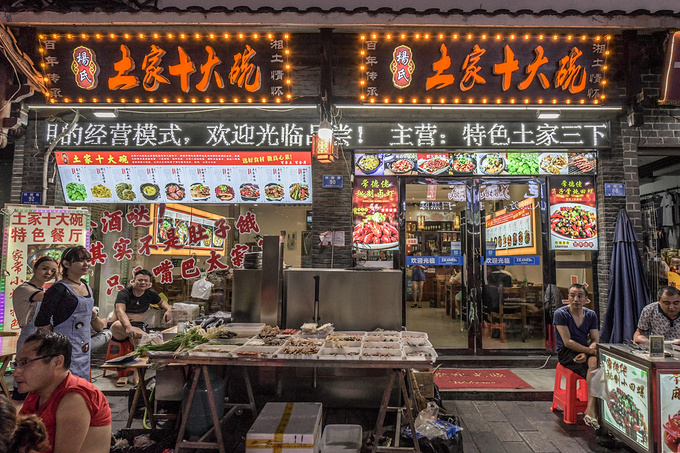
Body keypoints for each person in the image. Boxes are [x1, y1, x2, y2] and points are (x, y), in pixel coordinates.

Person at [14, 330, 111, 453]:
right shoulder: (37, 392)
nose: (16, 372)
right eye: (16, 364)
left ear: (57, 362)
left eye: (24, 363)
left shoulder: (74, 398)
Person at [34, 246, 104, 380]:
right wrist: (54, 348)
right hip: (62, 351)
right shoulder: (58, 289)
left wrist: (94, 317)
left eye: (88, 260)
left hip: (84, 348)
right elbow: (42, 322)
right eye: (81, 260)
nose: (86, 264)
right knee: (65, 386)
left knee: (81, 386)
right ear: (66, 264)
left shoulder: (86, 286)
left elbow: (95, 323)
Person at [554, 283, 600, 429]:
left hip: (585, 351)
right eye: (572, 295)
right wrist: (590, 351)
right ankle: (594, 411)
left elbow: (595, 340)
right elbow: (567, 342)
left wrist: (588, 352)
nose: (576, 299)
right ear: (568, 297)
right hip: (567, 353)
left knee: (595, 364)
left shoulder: (591, 315)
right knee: (595, 367)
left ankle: (590, 408)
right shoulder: (561, 314)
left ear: (586, 299)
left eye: (580, 296)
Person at [12, 256, 58, 401]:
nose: (48, 273)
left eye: (53, 271)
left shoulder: (43, 290)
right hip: (28, 339)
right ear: (34, 268)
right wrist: (60, 279)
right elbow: (48, 297)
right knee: (24, 383)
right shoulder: (24, 289)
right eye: (44, 268)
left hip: (44, 340)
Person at [110, 268, 172, 347]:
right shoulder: (124, 293)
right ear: (133, 281)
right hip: (122, 326)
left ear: (149, 283)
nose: (143, 282)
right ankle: (151, 338)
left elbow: (161, 302)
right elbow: (120, 311)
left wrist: (168, 309)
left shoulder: (150, 293)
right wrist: (128, 326)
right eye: (140, 280)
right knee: (116, 325)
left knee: (140, 344)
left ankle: (149, 339)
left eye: (146, 281)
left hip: (138, 326)